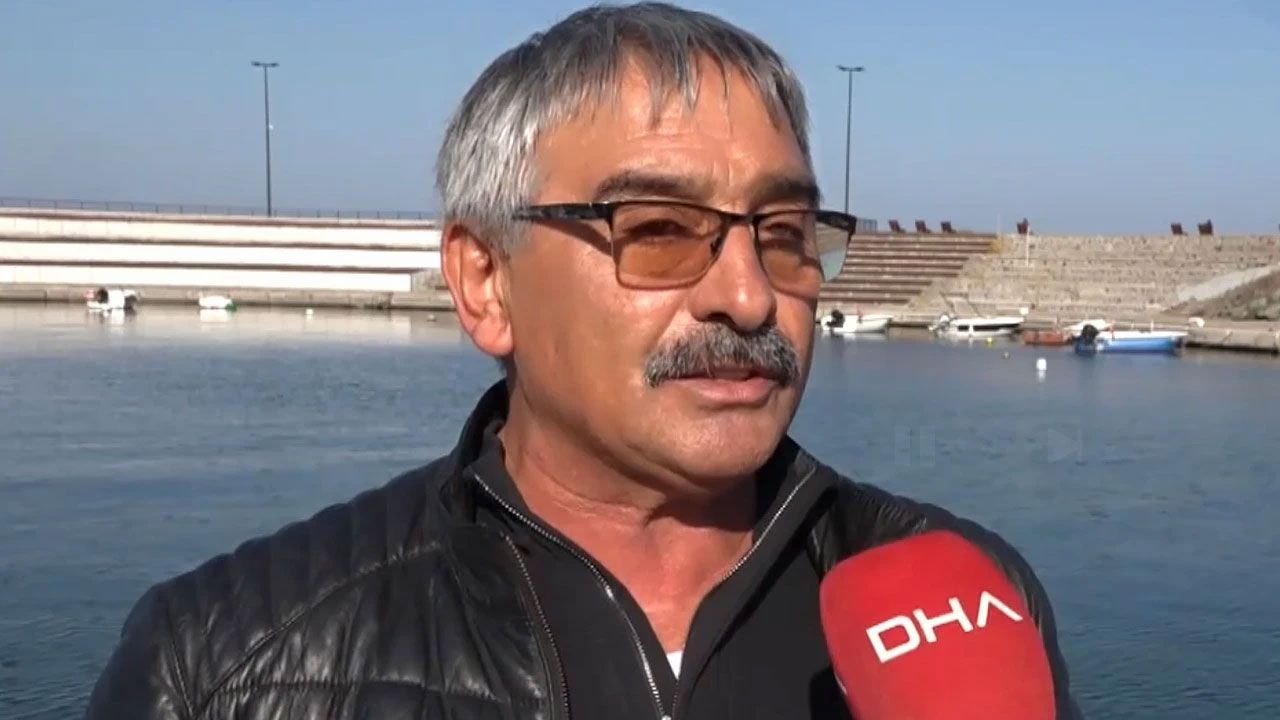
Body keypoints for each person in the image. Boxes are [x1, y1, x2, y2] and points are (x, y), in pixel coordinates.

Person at [86, 3, 1081, 718]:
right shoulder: (222, 662)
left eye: (782, 232)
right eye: (657, 229)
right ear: (486, 282)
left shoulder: (972, 595)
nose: (746, 296)